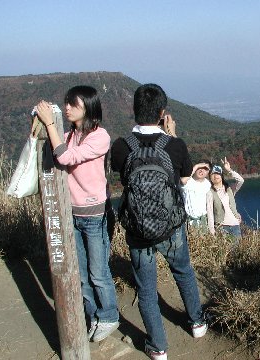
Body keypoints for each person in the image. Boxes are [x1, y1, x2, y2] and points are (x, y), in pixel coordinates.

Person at [110, 84, 207, 360]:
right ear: (163, 112)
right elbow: (185, 177)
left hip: (139, 231)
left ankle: (158, 346)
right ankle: (197, 323)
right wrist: (171, 134)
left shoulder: (121, 146)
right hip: (171, 228)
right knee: (183, 272)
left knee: (146, 288)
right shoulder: (174, 145)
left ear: (133, 110)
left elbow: (121, 173)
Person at [35, 86, 119, 343]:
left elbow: (66, 158)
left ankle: (109, 316)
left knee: (98, 271)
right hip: (72, 213)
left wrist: (50, 124)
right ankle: (93, 315)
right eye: (66, 103)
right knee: (81, 273)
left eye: (74, 104)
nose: (68, 108)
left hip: (94, 215)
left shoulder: (100, 136)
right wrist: (42, 127)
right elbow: (58, 151)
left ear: (89, 108)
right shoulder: (70, 135)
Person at [206, 157, 245, 241]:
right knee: (225, 253)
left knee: (237, 252)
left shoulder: (230, 189)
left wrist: (229, 170)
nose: (215, 176)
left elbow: (241, 181)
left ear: (221, 176)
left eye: (218, 173)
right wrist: (212, 231)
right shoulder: (210, 192)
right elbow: (210, 213)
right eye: (213, 174)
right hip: (221, 227)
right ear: (210, 177)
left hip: (235, 225)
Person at [182, 160, 212, 231]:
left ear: (208, 173)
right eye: (200, 167)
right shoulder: (187, 181)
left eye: (205, 169)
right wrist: (196, 166)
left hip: (203, 221)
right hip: (188, 221)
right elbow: (182, 181)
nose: (202, 170)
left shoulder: (208, 184)